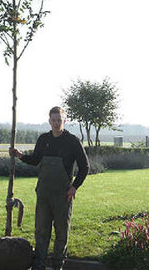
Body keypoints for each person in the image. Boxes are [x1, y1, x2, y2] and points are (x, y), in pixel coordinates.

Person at [9, 106, 89, 270]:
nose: (56, 123)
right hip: (44, 194)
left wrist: (74, 187)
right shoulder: (43, 139)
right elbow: (35, 160)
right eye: (53, 120)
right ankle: (39, 266)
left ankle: (58, 265)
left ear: (64, 121)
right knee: (41, 232)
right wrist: (20, 155)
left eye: (59, 120)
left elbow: (85, 166)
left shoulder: (72, 141)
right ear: (49, 121)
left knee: (61, 233)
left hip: (63, 195)